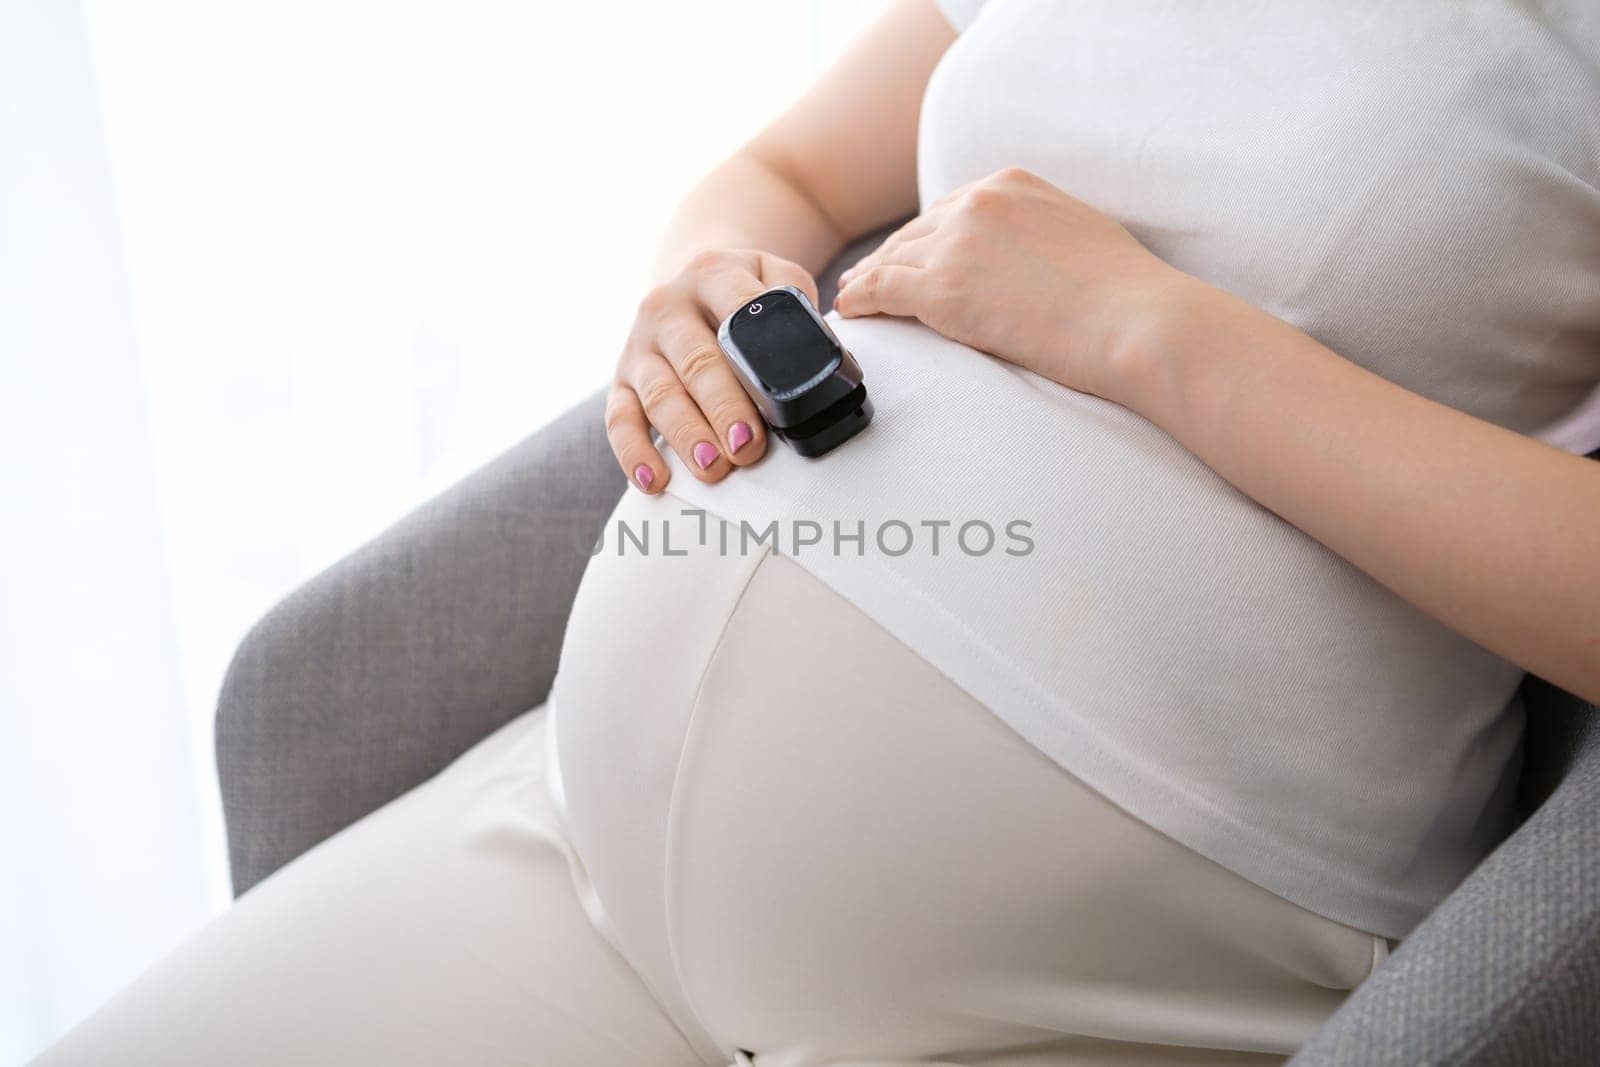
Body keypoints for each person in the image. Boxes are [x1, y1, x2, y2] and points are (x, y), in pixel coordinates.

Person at [38, 1, 1600, 1064]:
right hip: (573, 834)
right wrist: (701, 282)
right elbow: (784, 172)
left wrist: (1148, 331)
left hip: (1102, 979)